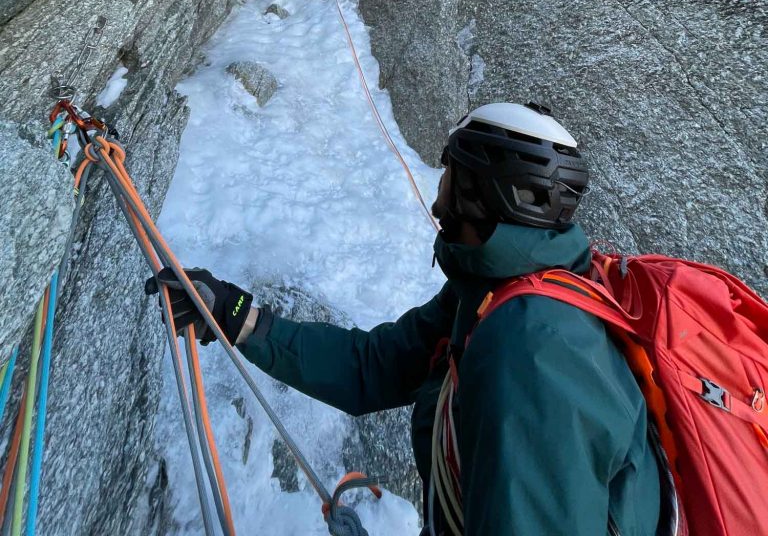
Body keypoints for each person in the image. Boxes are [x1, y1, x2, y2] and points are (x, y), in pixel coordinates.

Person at [149, 102, 662, 536]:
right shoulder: (493, 294)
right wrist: (235, 314)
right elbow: (375, 366)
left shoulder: (533, 355)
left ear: (480, 191)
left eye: (451, 167)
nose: (440, 186)